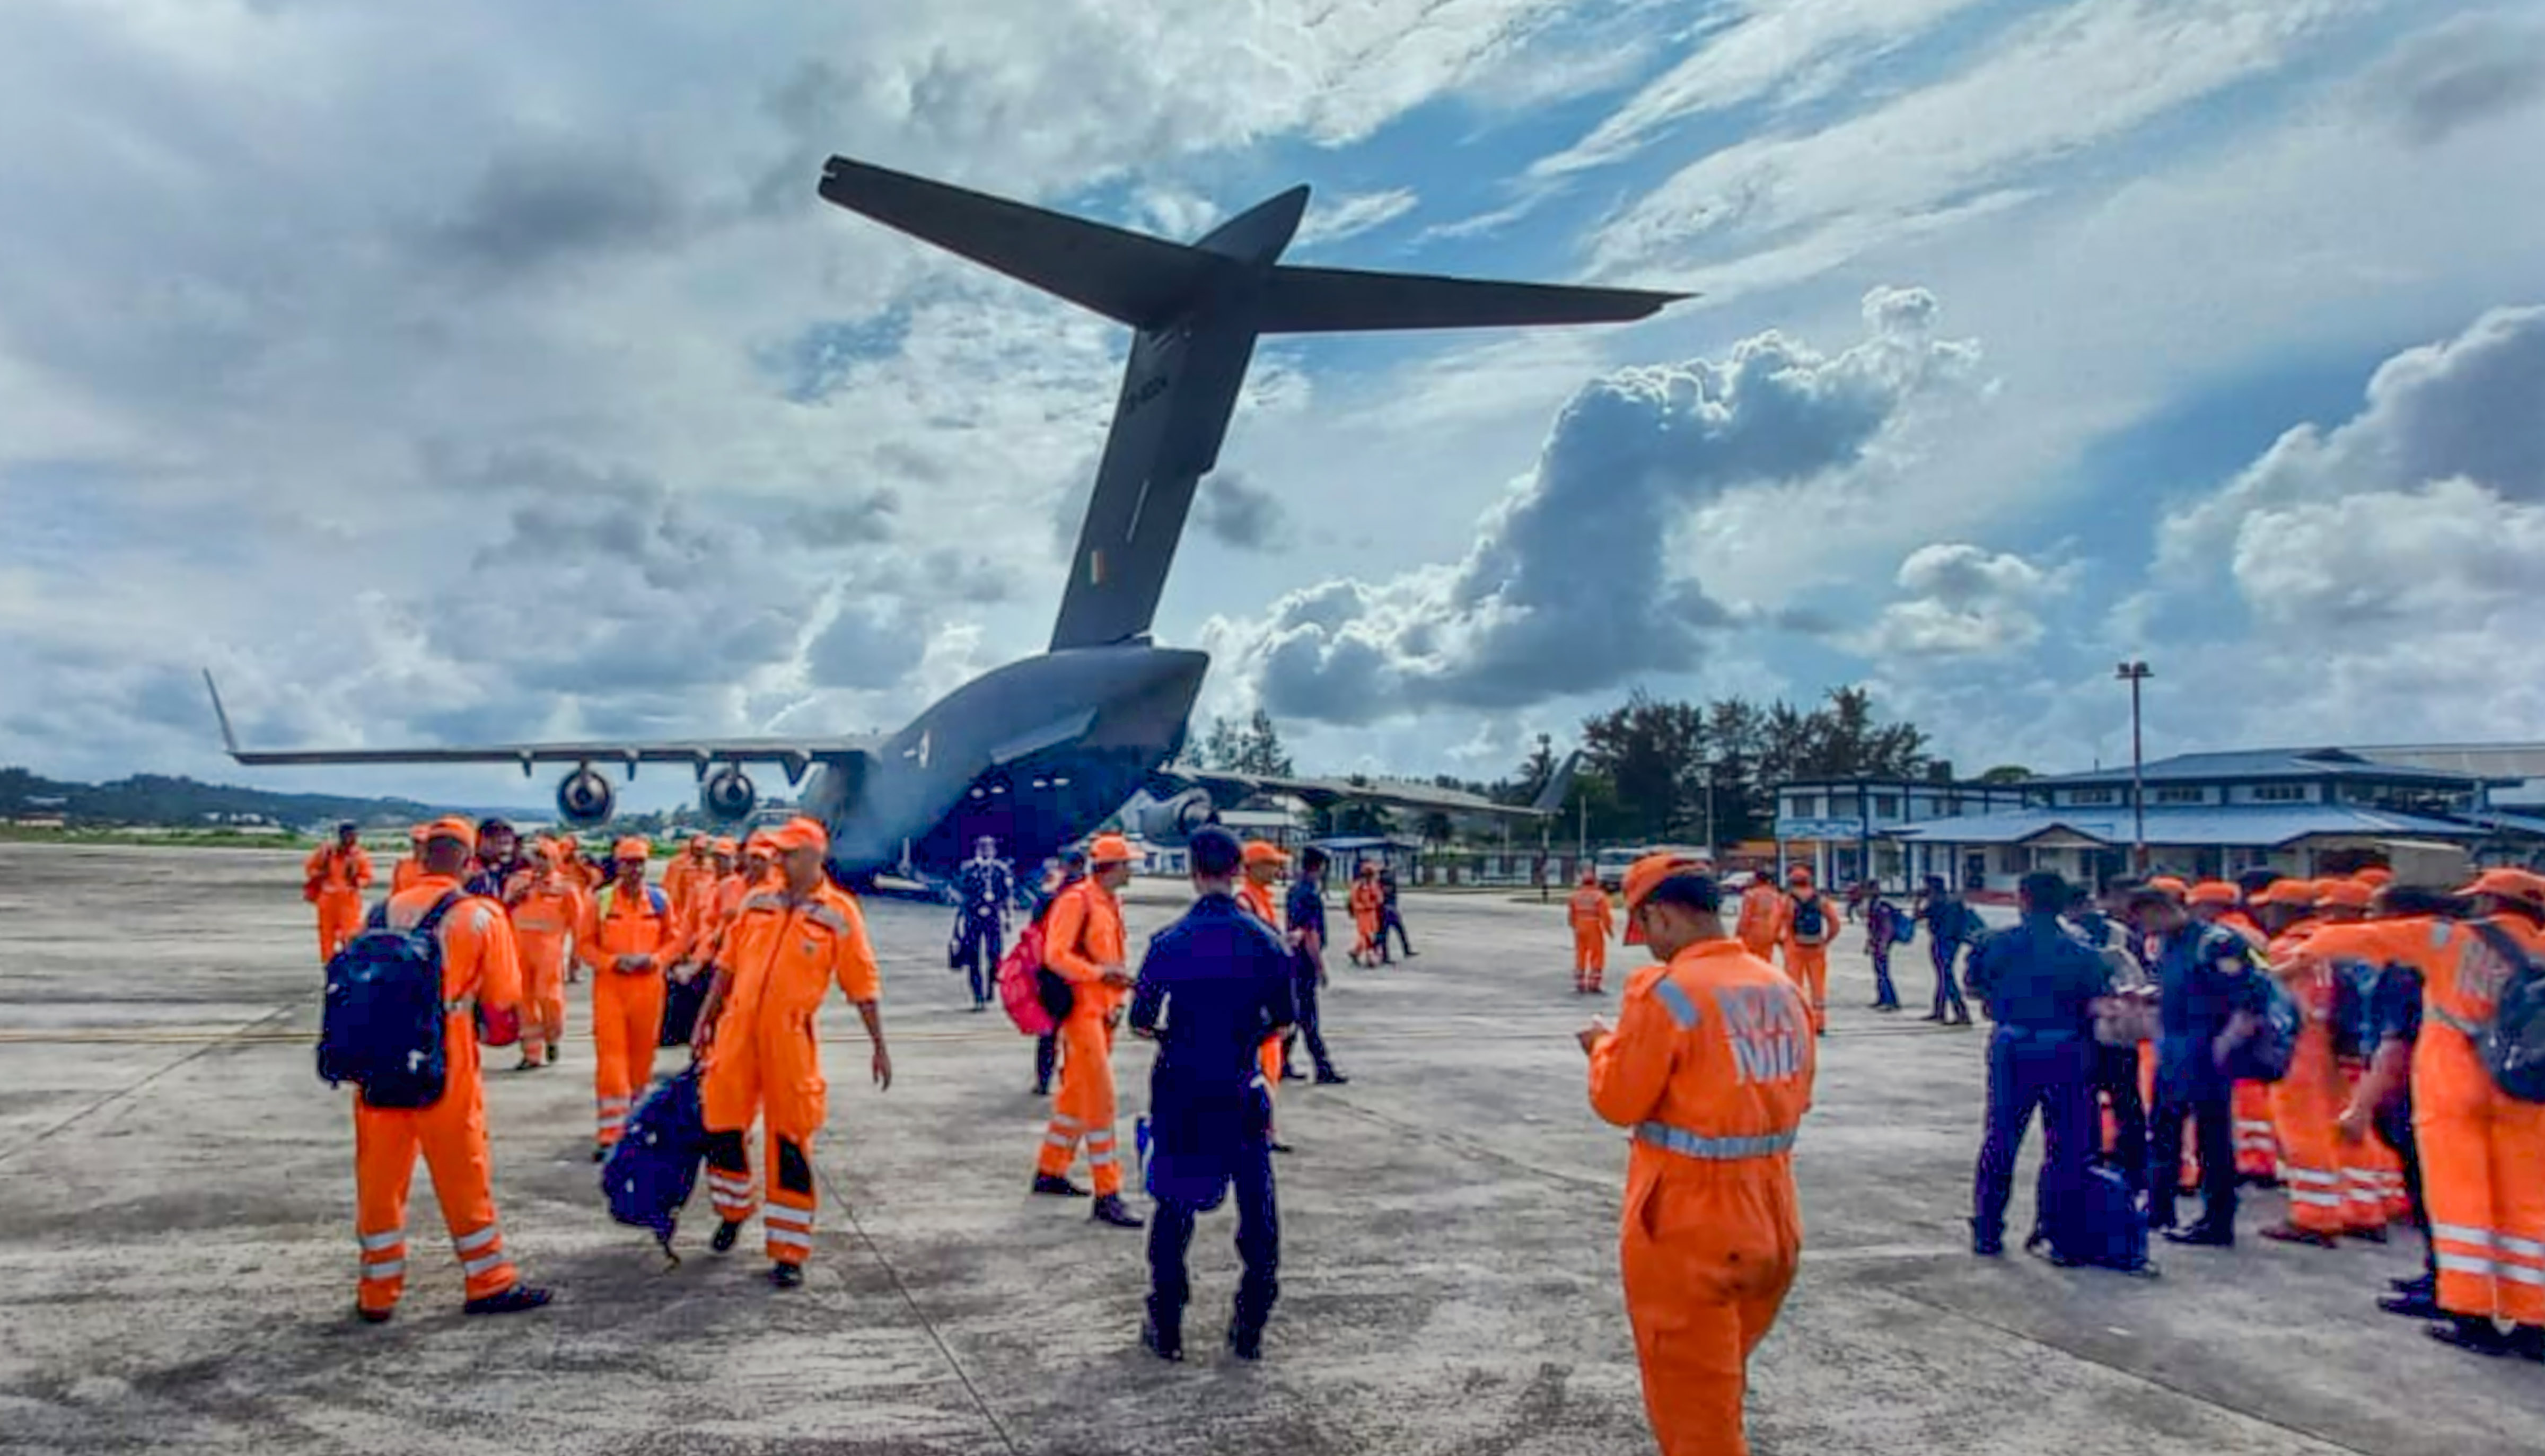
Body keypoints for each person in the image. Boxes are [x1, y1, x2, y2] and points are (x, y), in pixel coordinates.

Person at [1581, 855, 1813, 1456]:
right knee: (1719, 1386)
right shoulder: (1781, 986)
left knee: (1695, 1418)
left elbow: (1619, 1099)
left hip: (1689, 1225)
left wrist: (1603, 1047)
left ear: (1659, 915)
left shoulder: (1668, 991)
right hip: (1774, 1216)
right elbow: (1798, 1094)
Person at [348, 817, 550, 1322]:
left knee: (379, 1176)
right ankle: (487, 1278)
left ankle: (378, 1290)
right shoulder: (478, 916)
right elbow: (503, 1000)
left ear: (422, 859)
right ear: (466, 860)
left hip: (379, 1058)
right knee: (463, 1169)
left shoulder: (379, 912)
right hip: (445, 1053)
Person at [691, 816, 891, 1287]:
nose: (775, 860)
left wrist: (879, 1045)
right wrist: (705, 1017)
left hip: (790, 1039)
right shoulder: (756, 901)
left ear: (813, 857)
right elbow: (726, 966)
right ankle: (733, 1208)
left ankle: (789, 1249)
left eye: (786, 853)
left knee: (790, 1140)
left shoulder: (839, 913)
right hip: (737, 1031)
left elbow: (862, 985)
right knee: (721, 1122)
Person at [1130, 827, 1296, 1362]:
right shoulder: (1266, 940)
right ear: (1237, 870)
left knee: (1174, 1206)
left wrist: (1176, 1038)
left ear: (1193, 871)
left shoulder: (1168, 941)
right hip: (1240, 1086)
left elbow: (1140, 1021)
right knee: (1258, 1209)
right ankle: (1250, 1324)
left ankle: (1168, 1322)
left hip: (1181, 1087)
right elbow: (1287, 1021)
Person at [2412, 867, 2545, 1358]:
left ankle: (2472, 1319)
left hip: (2459, 1085)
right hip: (2532, 1091)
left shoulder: (2456, 943)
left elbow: (2360, 938)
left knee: (2463, 1206)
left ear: (2491, 903)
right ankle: (2535, 1325)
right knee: (2531, 1211)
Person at [1964, 872, 2112, 1259]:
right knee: (2066, 1145)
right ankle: (2060, 1235)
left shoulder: (1996, 942)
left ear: (2022, 899)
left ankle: (1987, 1230)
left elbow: (1974, 986)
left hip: (2013, 1043)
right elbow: (2098, 1000)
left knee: (2001, 1138)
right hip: (2066, 1046)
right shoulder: (2083, 950)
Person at [2130, 885, 2265, 1247]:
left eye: (2143, 919)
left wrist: (2223, 1048)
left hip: (2207, 1050)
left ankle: (2217, 1221)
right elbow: (2182, 987)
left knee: (2213, 1141)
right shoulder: (2170, 943)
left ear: (2161, 909)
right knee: (2163, 1131)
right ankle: (2160, 1209)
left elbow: (2249, 1000)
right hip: (2174, 1048)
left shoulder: (2218, 942)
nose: (2143, 928)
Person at [1032, 835, 1144, 1229]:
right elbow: (1055, 956)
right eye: (1128, 863)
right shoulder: (1076, 900)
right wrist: (1100, 975)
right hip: (1081, 1013)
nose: (1133, 869)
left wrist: (1115, 997)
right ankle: (1107, 1192)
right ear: (1111, 866)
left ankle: (1051, 1169)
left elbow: (1111, 958)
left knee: (1077, 1097)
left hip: (1102, 1010)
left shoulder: (1109, 902)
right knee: (1101, 1102)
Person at [575, 837, 684, 1162]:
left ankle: (636, 1126)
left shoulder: (659, 900)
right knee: (612, 1062)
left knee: (642, 1061)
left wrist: (656, 960)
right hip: (611, 986)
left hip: (649, 987)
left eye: (639, 863)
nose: (634, 870)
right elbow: (584, 945)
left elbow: (675, 941)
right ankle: (611, 1135)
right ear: (618, 866)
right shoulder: (601, 901)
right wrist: (612, 962)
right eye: (628, 863)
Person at [505, 838, 585, 1072]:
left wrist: (577, 957)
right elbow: (503, 910)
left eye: (544, 857)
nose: (539, 862)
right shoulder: (518, 881)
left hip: (549, 951)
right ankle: (531, 1053)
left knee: (549, 997)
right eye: (536, 857)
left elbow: (579, 924)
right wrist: (516, 897)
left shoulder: (566, 888)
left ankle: (552, 1037)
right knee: (523, 1000)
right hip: (518, 948)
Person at [1236, 841, 1295, 1153]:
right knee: (1255, 1069)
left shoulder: (1263, 900)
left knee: (1270, 1067)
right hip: (1255, 999)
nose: (1277, 870)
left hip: (1267, 996)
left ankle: (1267, 1129)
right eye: (1271, 864)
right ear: (1254, 867)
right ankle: (1259, 1129)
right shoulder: (1245, 901)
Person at [1283, 846, 1348, 1087]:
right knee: (1309, 1018)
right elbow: (1311, 934)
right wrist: (1320, 967)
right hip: (1304, 962)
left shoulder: (1294, 890)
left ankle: (1282, 1062)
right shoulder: (1310, 894)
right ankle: (1323, 1067)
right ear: (1319, 867)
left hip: (1292, 960)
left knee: (1295, 1014)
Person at [1029, 850, 1087, 1098]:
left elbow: (1035, 929)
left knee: (1049, 1031)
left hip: (1054, 971)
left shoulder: (1051, 896)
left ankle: (1044, 1080)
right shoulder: (1092, 897)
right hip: (1080, 972)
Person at [949, 835, 1015, 1012]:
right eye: (983, 848)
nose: (987, 851)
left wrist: (1009, 917)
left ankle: (991, 987)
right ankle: (978, 997)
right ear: (978, 850)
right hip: (973, 917)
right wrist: (965, 906)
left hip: (993, 917)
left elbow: (1007, 895)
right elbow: (956, 890)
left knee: (995, 955)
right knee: (974, 957)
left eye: (990, 848)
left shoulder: (1001, 870)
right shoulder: (968, 869)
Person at [303, 822, 375, 966]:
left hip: (349, 900)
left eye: (353, 836)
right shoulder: (326, 853)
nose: (351, 839)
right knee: (327, 938)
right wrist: (320, 874)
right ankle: (329, 967)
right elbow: (310, 869)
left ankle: (350, 967)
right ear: (341, 836)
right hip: (327, 900)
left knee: (350, 936)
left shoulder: (359, 856)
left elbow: (367, 877)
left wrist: (356, 880)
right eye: (348, 835)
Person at [1780, 865, 1839, 1036]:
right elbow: (1835, 924)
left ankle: (1797, 1022)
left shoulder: (1787, 900)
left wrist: (1781, 942)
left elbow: (1777, 925)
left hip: (1794, 948)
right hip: (1816, 947)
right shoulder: (1821, 900)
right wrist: (1826, 940)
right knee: (1818, 988)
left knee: (1794, 987)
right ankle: (1819, 1023)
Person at [1916, 876, 1973, 1026]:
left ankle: (1961, 1012)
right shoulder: (1955, 900)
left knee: (1946, 977)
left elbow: (1917, 916)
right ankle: (1940, 1010)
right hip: (1954, 941)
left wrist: (1918, 901)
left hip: (1941, 940)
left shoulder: (1936, 902)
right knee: (1944, 977)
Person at [1568, 866, 1615, 996]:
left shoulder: (1575, 896)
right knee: (1597, 955)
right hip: (1593, 925)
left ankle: (1580, 983)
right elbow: (1605, 915)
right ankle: (1594, 984)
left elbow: (1571, 914)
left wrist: (1574, 926)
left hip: (1579, 926)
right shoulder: (1599, 896)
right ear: (1595, 882)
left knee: (1580, 955)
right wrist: (1609, 930)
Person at [1864, 892, 1908, 1012]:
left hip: (1882, 943)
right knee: (1879, 971)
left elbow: (1887, 927)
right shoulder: (1874, 905)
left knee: (1883, 972)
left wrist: (1883, 944)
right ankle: (1883, 998)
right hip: (1878, 942)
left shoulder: (1881, 908)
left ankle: (1890, 1001)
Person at [1734, 874, 1786, 962]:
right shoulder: (1777, 896)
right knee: (1766, 959)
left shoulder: (1751, 894)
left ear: (1758, 880)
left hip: (1752, 931)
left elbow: (1746, 915)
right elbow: (1780, 915)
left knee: (1751, 959)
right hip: (1770, 931)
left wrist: (1739, 932)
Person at [1348, 863, 1385, 968]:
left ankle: (1355, 952)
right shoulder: (1358, 886)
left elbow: (1380, 899)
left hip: (1372, 913)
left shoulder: (1374, 885)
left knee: (1368, 934)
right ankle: (1370, 956)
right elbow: (1354, 901)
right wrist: (1364, 906)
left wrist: (1374, 899)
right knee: (1366, 935)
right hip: (1362, 913)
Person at [1378, 864, 1416, 959]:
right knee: (1397, 931)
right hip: (1390, 910)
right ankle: (1406, 951)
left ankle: (1386, 956)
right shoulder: (1388, 883)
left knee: (1385, 934)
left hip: (1386, 910)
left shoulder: (1381, 883)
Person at [389, 825, 429, 895]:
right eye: (416, 842)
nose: (419, 846)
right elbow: (395, 890)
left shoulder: (435, 867)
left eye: (423, 842)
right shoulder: (402, 863)